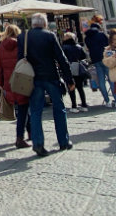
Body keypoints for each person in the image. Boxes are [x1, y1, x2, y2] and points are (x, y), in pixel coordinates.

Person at [18, 13, 75, 156]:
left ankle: (38, 144)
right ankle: (63, 141)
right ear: (44, 23)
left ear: (32, 24)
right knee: (59, 108)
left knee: (36, 111)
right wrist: (69, 79)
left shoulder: (23, 37)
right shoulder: (50, 35)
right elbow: (61, 58)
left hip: (33, 79)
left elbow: (20, 59)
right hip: (51, 77)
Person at [0, 24, 31, 147]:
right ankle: (21, 137)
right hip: (22, 79)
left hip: (9, 82)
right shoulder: (21, 45)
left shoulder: (1, 47)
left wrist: (1, 83)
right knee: (24, 108)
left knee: (22, 108)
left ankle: (30, 133)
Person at [84, 14, 114, 105]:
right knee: (111, 79)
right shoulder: (101, 35)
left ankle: (107, 101)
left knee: (101, 80)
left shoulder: (87, 38)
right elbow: (108, 47)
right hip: (105, 58)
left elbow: (88, 48)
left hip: (95, 60)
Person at [61, 32, 89, 111]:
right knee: (80, 87)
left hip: (69, 68)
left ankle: (74, 106)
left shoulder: (64, 47)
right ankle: (84, 105)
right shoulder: (78, 46)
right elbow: (84, 56)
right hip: (78, 67)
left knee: (71, 87)